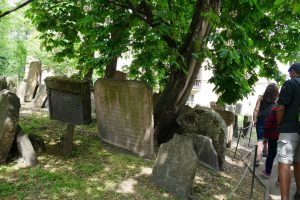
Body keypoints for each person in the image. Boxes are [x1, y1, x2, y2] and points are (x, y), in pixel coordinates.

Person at [277, 63, 300, 200]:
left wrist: (279, 123)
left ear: (294, 72)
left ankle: (284, 198)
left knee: (284, 162)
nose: (289, 75)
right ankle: (298, 193)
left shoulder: (290, 84)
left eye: (290, 72)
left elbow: (280, 108)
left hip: (289, 129)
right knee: (299, 162)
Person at [253, 83, 279, 167]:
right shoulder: (277, 100)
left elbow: (256, 109)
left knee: (260, 140)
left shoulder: (261, 98)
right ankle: (266, 155)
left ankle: (258, 158)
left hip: (261, 120)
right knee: (266, 139)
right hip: (271, 121)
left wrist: (255, 119)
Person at [262, 105, 280, 178]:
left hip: (274, 136)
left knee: (271, 155)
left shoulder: (275, 109)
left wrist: (265, 136)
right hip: (285, 136)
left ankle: (267, 172)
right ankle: (280, 179)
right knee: (283, 158)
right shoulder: (290, 111)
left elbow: (268, 123)